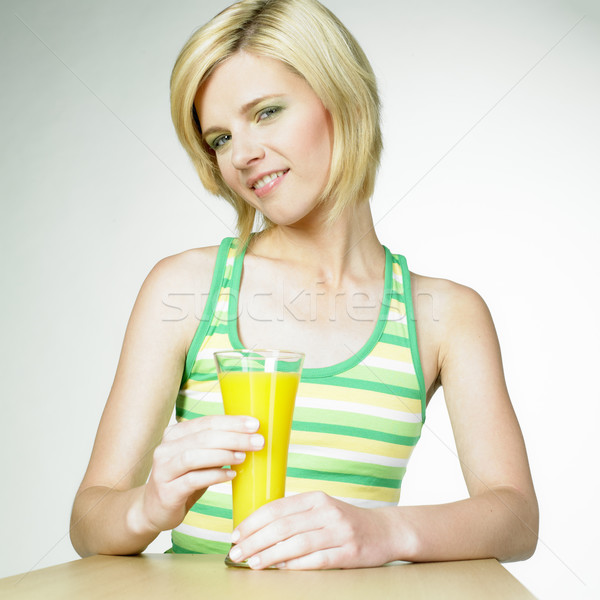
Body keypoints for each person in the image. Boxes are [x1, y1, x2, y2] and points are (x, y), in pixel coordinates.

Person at [70, 0, 539, 570]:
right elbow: (88, 520)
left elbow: (515, 518)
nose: (242, 154)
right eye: (219, 138)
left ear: (341, 99)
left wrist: (385, 531)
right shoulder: (187, 289)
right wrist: (146, 509)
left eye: (266, 112)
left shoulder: (445, 315)